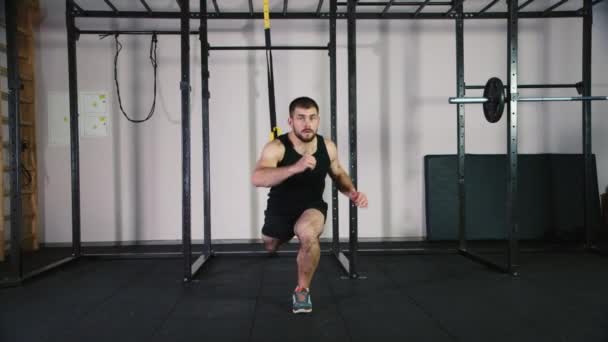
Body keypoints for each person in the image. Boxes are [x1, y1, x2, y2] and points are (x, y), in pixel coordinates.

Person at [251, 96, 368, 314]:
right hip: (281, 209)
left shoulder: (327, 146)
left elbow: (338, 173)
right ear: (290, 121)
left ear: (318, 119)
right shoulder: (276, 147)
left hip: (312, 206)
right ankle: (281, 236)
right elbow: (258, 178)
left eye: (312, 118)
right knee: (270, 245)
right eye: (301, 118)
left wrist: (351, 192)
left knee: (307, 234)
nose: (307, 124)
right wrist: (294, 167)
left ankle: (302, 290)